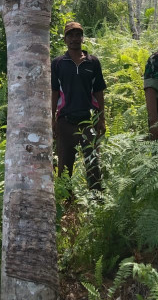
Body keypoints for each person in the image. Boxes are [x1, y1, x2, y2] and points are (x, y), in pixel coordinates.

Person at [51, 21, 107, 190]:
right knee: (65, 166)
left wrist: (101, 118)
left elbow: (98, 92)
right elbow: (54, 91)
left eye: (77, 35)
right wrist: (51, 119)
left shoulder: (93, 62)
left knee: (93, 164)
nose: (74, 39)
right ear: (65, 39)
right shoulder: (58, 63)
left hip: (88, 121)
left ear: (82, 38)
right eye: (70, 35)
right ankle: (66, 203)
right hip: (65, 121)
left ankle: (96, 201)